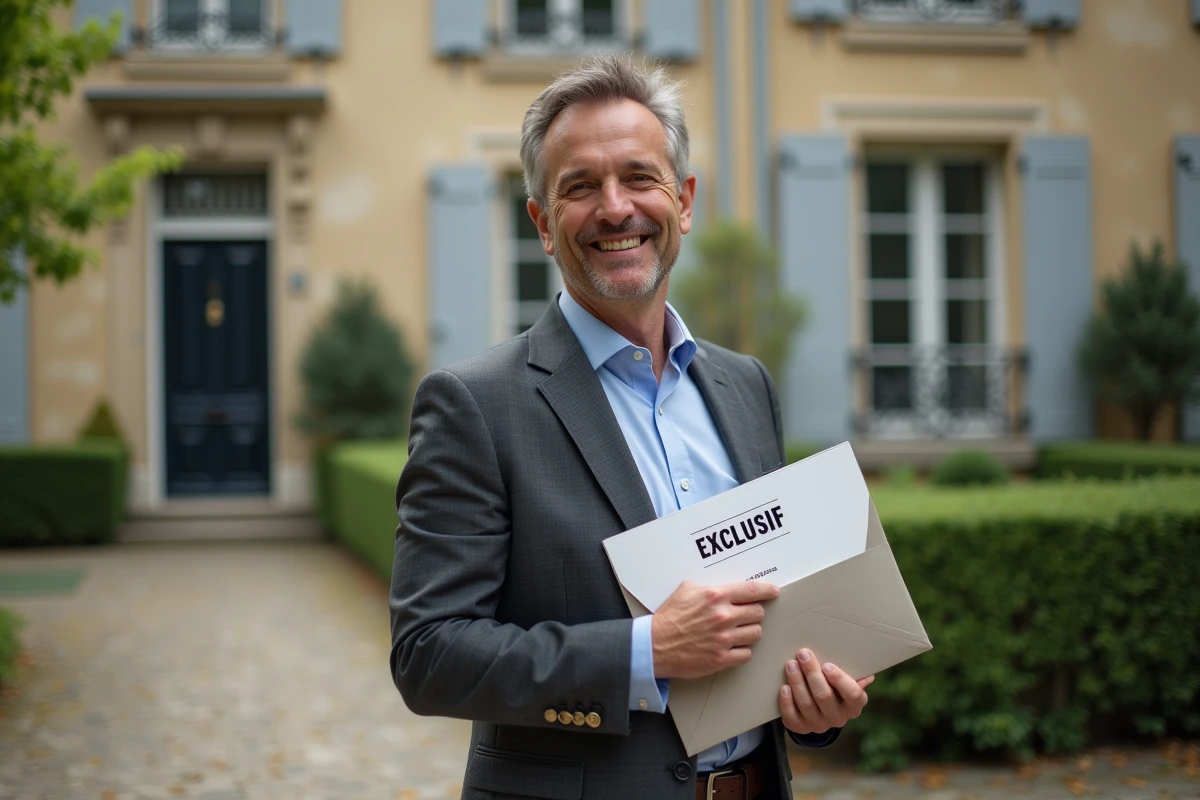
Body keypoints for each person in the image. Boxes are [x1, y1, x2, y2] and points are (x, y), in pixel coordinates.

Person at [390, 54, 872, 800]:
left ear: (683, 201)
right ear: (543, 225)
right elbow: (428, 656)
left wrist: (814, 707)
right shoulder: (473, 405)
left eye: (639, 178)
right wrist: (647, 651)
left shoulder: (745, 387)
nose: (615, 208)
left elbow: (774, 618)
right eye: (580, 186)